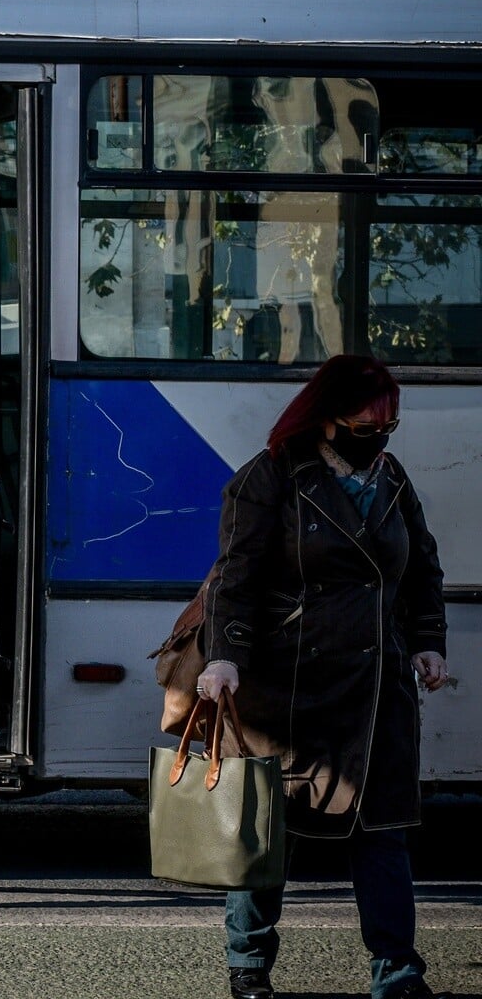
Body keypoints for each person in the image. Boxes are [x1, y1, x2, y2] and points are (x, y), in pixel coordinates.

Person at [195, 355, 450, 999]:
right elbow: (234, 578)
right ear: (327, 418)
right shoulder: (271, 476)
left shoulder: (391, 477)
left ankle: (397, 973)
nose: (379, 436)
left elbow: (421, 568)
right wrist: (224, 657)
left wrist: (427, 643)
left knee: (384, 834)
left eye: (387, 426)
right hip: (288, 688)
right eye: (367, 424)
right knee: (268, 838)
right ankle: (248, 966)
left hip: (378, 689)